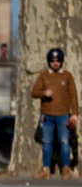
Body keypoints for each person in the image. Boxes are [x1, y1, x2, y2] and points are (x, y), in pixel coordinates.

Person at [32, 48, 79, 179]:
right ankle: (46, 169)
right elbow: (34, 92)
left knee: (64, 141)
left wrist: (75, 114)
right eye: (52, 61)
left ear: (61, 61)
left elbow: (73, 96)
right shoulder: (43, 76)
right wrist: (43, 93)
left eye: (58, 60)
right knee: (47, 142)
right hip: (47, 115)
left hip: (63, 115)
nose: (55, 63)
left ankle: (66, 169)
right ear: (49, 62)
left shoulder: (68, 76)